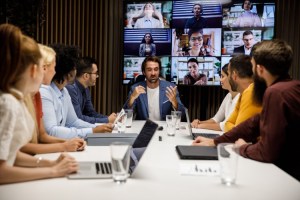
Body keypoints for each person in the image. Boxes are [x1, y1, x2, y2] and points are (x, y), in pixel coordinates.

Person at [193, 39, 300, 181]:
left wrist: (242, 147)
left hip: (286, 176)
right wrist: (215, 142)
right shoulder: (290, 87)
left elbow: (268, 152)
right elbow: (252, 124)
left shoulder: (275, 92)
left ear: (260, 69)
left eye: (253, 67)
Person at [0, 24, 77, 184]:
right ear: (34, 70)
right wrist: (52, 171)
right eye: (44, 68)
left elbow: (11, 154)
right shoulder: (8, 103)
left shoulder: (15, 99)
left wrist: (48, 163)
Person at [20, 44, 86, 155]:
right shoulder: (34, 94)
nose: (55, 72)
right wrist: (64, 146)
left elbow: (42, 136)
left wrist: (70, 142)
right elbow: (20, 149)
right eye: (53, 67)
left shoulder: (36, 94)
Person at [40, 44, 113, 139]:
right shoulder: (44, 92)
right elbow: (51, 131)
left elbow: (73, 122)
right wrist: (92, 131)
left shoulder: (64, 91)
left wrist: (99, 127)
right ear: (69, 73)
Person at [124, 56, 186, 121]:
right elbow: (125, 116)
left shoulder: (171, 88)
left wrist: (174, 102)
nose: (153, 73)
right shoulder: (135, 89)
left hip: (165, 129)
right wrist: (132, 98)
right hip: (143, 128)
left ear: (159, 71)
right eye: (149, 70)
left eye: (156, 69)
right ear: (144, 72)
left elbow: (183, 116)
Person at [66, 57, 117, 124]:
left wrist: (109, 118)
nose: (97, 76)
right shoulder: (71, 89)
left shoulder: (86, 89)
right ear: (86, 76)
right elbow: (78, 118)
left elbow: (90, 113)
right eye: (95, 73)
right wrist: (106, 120)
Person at [191, 64, 240, 131]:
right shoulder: (229, 95)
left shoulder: (240, 97)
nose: (220, 80)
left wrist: (200, 126)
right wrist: (199, 122)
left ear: (232, 77)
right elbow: (216, 119)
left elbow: (225, 125)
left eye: (223, 76)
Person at [224, 55, 262, 131]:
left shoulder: (251, 92)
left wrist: (234, 129)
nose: (228, 78)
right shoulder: (243, 94)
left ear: (234, 75)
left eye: (228, 74)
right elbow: (227, 123)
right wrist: (234, 129)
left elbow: (238, 133)